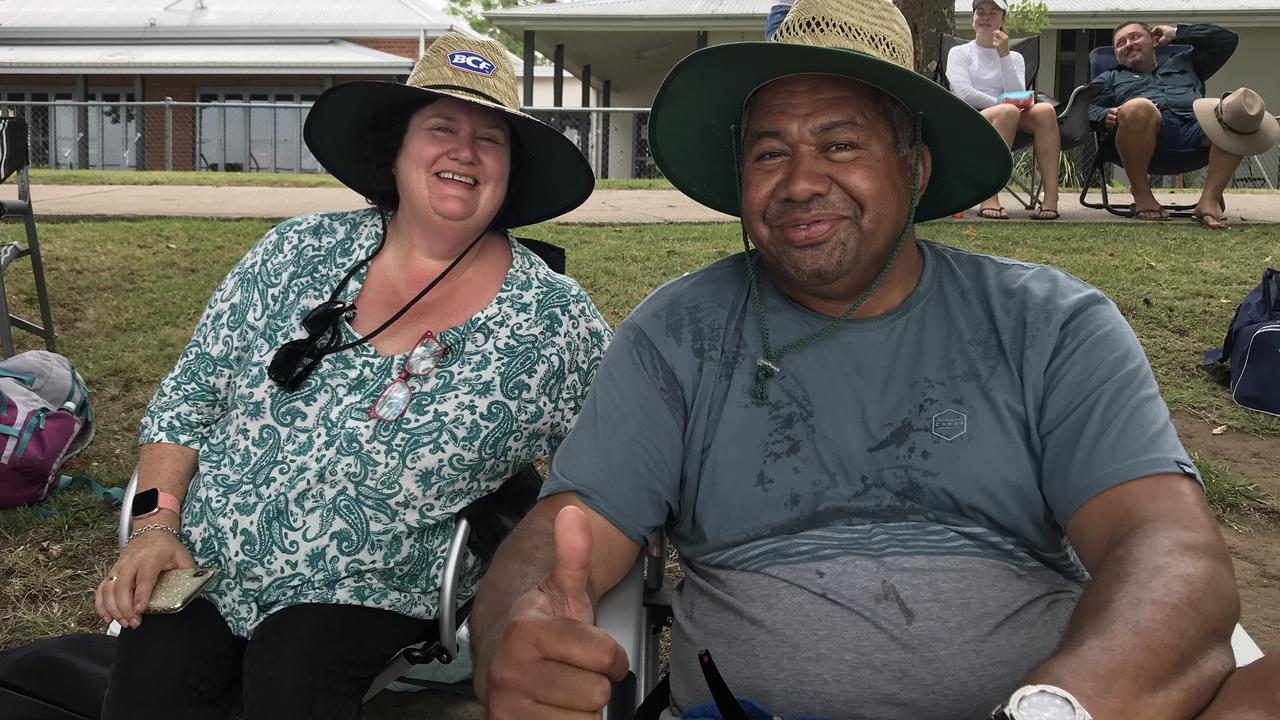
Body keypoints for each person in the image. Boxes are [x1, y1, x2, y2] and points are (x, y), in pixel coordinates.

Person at [471, 0, 1279, 718]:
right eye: (768, 153)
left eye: (840, 143)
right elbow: (562, 537)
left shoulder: (1050, 324)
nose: (800, 182)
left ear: (916, 169)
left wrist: (1054, 709)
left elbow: (1167, 550)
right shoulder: (676, 333)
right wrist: (518, 625)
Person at [93, 31, 612, 720]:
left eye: (491, 139)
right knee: (150, 682)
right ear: (394, 151)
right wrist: (155, 528)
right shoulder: (294, 252)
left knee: (293, 669)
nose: (464, 150)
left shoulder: (554, 320)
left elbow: (623, 455)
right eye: (441, 127)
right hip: (207, 566)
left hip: (370, 586)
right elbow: (183, 406)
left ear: (510, 173)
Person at [1088, 21, 1241, 227]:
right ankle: (1142, 195)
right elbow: (1083, 108)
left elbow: (1227, 40)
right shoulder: (1110, 77)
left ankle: (1209, 200)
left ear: (1153, 40)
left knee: (1236, 110)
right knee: (1138, 107)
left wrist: (1177, 33)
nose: (1128, 44)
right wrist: (1104, 114)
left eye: (1135, 37)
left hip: (1195, 133)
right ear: (1116, 54)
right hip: (1141, 142)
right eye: (1120, 43)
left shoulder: (1187, 63)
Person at [947, 0, 1061, 220]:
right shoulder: (959, 53)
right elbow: (964, 94)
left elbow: (1017, 94)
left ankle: (1051, 199)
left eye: (992, 13)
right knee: (1008, 112)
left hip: (1010, 117)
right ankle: (989, 195)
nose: (985, 18)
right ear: (973, 19)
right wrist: (1004, 105)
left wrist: (1004, 55)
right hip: (969, 117)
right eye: (980, 12)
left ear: (1003, 20)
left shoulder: (1014, 57)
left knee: (1045, 111)